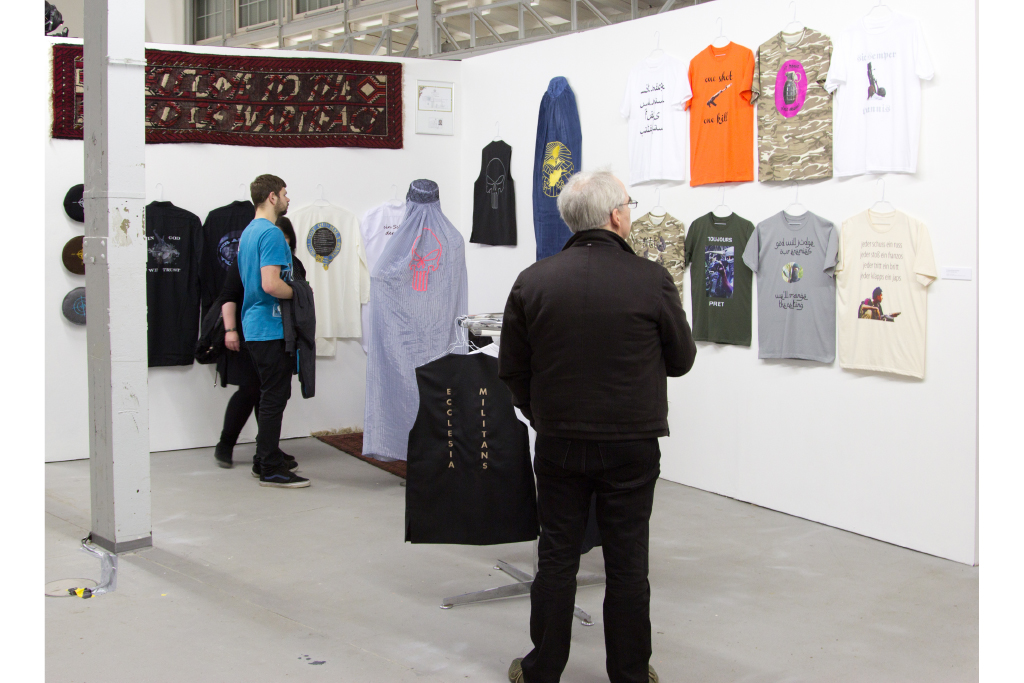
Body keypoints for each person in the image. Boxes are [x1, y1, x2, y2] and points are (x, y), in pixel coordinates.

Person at [499, 170, 697, 683]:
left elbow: (512, 369)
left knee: (557, 557)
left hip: (559, 442)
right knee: (628, 562)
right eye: (629, 204)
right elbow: (681, 360)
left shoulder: (533, 280)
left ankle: (542, 670)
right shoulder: (651, 279)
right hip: (632, 443)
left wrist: (542, 416)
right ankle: (630, 674)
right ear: (615, 216)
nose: (630, 211)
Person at [212, 215, 305, 474]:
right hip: (250, 332)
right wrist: (231, 330)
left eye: (285, 240)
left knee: (271, 394)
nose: (280, 245)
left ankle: (266, 449)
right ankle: (227, 444)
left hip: (280, 333)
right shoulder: (248, 258)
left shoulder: (292, 263)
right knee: (251, 391)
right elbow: (229, 295)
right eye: (277, 239)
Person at [235, 174, 310, 488]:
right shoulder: (272, 234)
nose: (288, 199)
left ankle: (263, 458)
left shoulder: (249, 232)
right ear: (271, 197)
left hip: (255, 326)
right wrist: (300, 293)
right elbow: (270, 284)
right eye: (285, 193)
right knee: (274, 398)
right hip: (270, 327)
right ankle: (270, 468)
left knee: (270, 395)